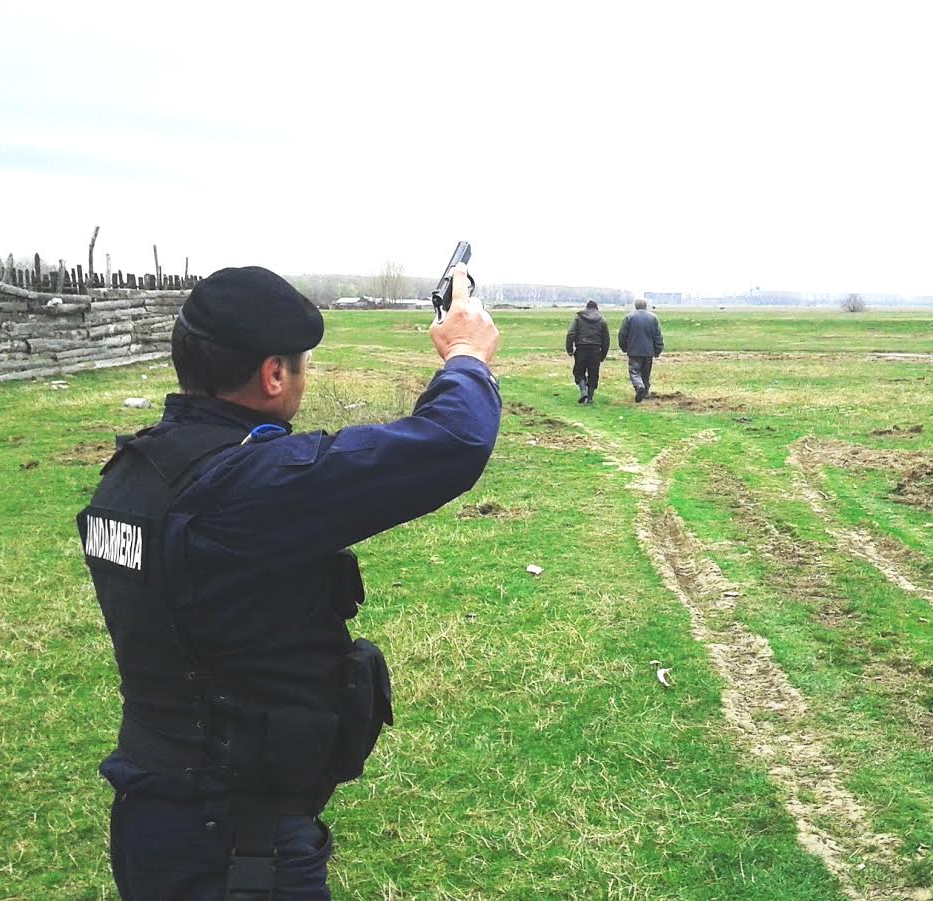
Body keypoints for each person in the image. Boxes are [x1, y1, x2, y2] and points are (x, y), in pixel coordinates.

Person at [77, 263, 499, 900]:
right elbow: (451, 441)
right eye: (302, 366)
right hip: (238, 845)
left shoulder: (133, 474)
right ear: (274, 374)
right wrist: (465, 353)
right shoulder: (241, 487)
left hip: (154, 810)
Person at [617, 298, 664, 402]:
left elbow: (622, 334)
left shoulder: (629, 317)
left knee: (634, 371)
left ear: (635, 306)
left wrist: (624, 347)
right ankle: (645, 392)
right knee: (646, 373)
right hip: (648, 351)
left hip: (634, 351)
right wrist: (658, 349)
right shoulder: (653, 318)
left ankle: (639, 387)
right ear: (645, 306)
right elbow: (658, 335)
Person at [564, 299, 610, 404]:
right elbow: (606, 339)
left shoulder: (578, 318)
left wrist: (570, 349)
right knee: (593, 373)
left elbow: (571, 334)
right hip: (596, 349)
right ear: (597, 308)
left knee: (579, 371)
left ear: (587, 307)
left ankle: (583, 391)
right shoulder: (602, 319)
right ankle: (590, 398)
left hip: (581, 348)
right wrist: (603, 355)